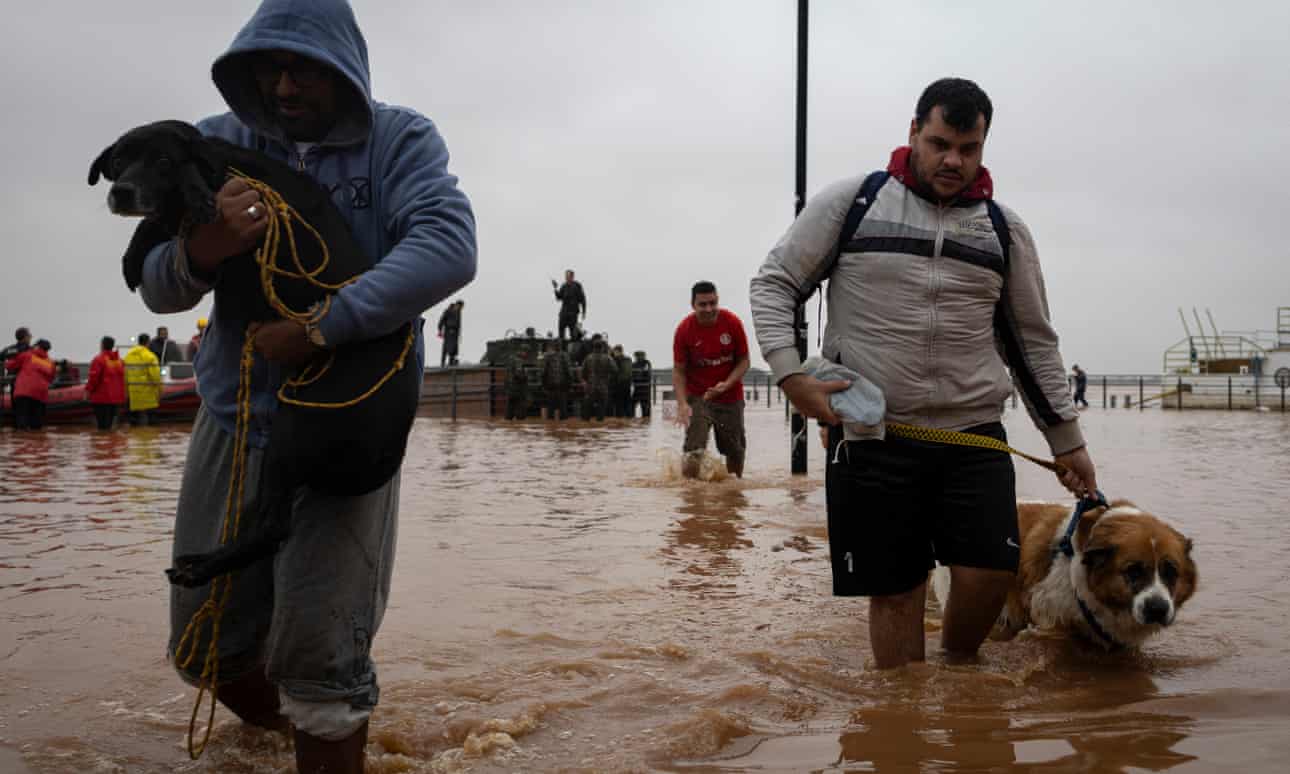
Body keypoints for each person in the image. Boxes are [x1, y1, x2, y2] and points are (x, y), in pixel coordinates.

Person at [131, 2, 477, 769]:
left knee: (322, 663)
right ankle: (287, 741)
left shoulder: (400, 142)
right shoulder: (214, 144)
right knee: (204, 646)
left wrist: (322, 324)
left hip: (346, 423)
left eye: (303, 69)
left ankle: (322, 727)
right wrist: (207, 246)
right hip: (234, 419)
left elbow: (449, 247)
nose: (283, 87)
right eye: (269, 69)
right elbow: (156, 286)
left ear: (344, 69)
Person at [749, 77, 1097, 670]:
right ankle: (900, 718)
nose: (952, 160)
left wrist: (1069, 443)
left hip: (973, 433)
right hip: (874, 436)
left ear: (984, 146)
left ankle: (959, 670)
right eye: (939, 143)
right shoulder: (853, 203)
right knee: (897, 591)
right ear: (913, 132)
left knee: (991, 571)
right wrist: (791, 378)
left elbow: (1033, 343)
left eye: (968, 148)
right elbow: (775, 283)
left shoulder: (1004, 231)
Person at [673, 281, 749, 478]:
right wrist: (682, 404)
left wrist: (727, 384)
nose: (709, 309)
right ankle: (690, 495)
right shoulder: (684, 329)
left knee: (735, 449)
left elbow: (744, 361)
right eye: (703, 304)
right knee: (694, 448)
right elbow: (679, 371)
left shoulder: (732, 322)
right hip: (699, 396)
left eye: (712, 303)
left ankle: (732, 493)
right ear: (693, 305)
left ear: (717, 301)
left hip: (730, 395)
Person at [4, 338, 55, 430]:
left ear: (37, 346)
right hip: (40, 395)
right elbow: (51, 379)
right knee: (36, 426)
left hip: (23, 392)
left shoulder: (27, 355)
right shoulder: (50, 363)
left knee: (22, 425)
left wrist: (8, 361)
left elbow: (10, 365)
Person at [86, 336, 127, 430]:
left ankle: (103, 443)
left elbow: (93, 379)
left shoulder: (98, 360)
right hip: (116, 399)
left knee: (102, 427)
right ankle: (110, 443)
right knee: (110, 426)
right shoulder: (120, 361)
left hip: (101, 398)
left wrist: (88, 391)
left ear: (102, 345)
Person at [124, 333, 162, 425]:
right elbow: (155, 376)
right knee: (152, 422)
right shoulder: (150, 356)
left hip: (133, 394)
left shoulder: (128, 356)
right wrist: (159, 390)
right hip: (148, 394)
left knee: (134, 423)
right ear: (148, 342)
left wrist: (126, 391)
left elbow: (125, 375)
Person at [1, 327, 32, 428]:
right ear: (25, 337)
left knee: (16, 408)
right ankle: (24, 434)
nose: (31, 337)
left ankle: (17, 435)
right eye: (29, 335)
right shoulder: (29, 349)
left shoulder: (8, 349)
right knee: (25, 411)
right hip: (26, 383)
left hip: (13, 382)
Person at [580, 339, 614, 421]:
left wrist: (586, 381)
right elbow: (615, 370)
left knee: (587, 410)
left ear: (593, 347)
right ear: (602, 348)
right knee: (601, 410)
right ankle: (600, 427)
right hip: (603, 387)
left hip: (591, 387)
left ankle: (587, 427)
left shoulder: (588, 358)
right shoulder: (607, 358)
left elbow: (583, 372)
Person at [540, 339, 573, 420]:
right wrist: (569, 384)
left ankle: (551, 427)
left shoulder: (548, 356)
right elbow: (569, 371)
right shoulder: (565, 356)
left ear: (553, 346)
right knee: (563, 408)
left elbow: (543, 372)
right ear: (561, 345)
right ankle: (563, 428)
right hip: (562, 385)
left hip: (551, 385)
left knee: (551, 407)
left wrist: (543, 384)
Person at [552, 269, 586, 340]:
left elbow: (582, 299)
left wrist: (584, 312)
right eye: (566, 276)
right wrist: (555, 288)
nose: (567, 278)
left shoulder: (577, 285)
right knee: (561, 330)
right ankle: (562, 347)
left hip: (573, 313)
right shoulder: (564, 286)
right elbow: (559, 297)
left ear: (572, 276)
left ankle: (572, 347)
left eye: (568, 276)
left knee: (573, 333)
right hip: (564, 312)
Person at [505, 348, 531, 420]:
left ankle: (508, 425)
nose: (526, 354)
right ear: (522, 352)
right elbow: (518, 374)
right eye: (526, 352)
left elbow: (507, 375)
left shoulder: (511, 360)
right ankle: (519, 425)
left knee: (509, 410)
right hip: (518, 389)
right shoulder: (519, 361)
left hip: (510, 389)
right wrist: (526, 376)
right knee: (520, 411)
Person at [437, 299, 464, 367]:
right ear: (457, 305)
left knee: (454, 348)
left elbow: (458, 324)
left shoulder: (458, 312)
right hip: (448, 331)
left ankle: (451, 363)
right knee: (446, 347)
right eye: (460, 307)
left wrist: (459, 334)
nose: (461, 309)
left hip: (455, 333)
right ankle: (442, 363)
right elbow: (442, 320)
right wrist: (440, 330)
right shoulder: (448, 310)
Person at [610, 344, 633, 418]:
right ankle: (629, 420)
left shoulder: (615, 360)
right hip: (628, 384)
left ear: (617, 351)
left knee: (619, 405)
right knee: (627, 403)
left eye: (614, 351)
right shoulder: (629, 359)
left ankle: (619, 423)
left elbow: (613, 372)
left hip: (618, 385)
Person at [630, 350, 653, 419]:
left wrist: (634, 380)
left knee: (633, 406)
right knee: (645, 408)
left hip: (640, 388)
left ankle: (634, 421)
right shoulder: (647, 364)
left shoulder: (643, 364)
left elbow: (633, 375)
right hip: (644, 388)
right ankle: (645, 423)